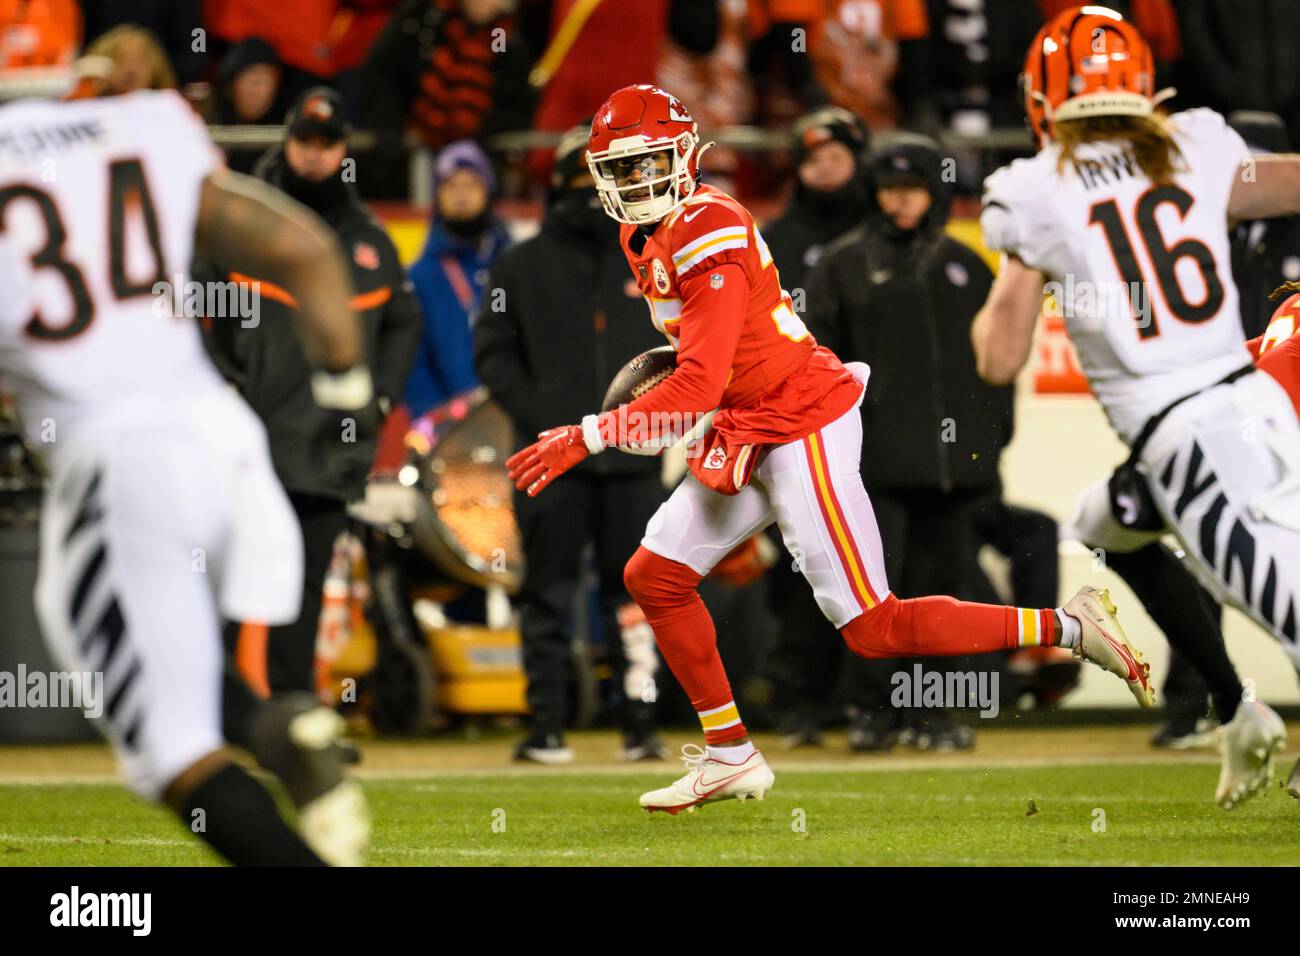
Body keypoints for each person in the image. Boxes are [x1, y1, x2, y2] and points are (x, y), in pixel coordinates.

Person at [506, 83, 1154, 815]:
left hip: (801, 418)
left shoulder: (707, 225)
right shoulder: (644, 235)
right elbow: (704, 363)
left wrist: (587, 434)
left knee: (875, 628)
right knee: (654, 576)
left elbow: (695, 381)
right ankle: (729, 753)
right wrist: (685, 407)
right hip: (750, 417)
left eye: (647, 163)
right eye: (619, 170)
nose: (634, 183)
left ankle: (1069, 625)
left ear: (686, 155)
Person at [0, 89, 371, 864]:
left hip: (122, 462)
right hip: (226, 440)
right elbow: (306, 252)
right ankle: (272, 725)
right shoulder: (140, 121)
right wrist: (345, 392)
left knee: (172, 755)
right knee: (166, 642)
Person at [973, 5, 1300, 809]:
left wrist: (1025, 261)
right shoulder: (1197, 142)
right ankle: (1235, 707)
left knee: (1291, 611)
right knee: (1099, 522)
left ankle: (1236, 711)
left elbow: (997, 357)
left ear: (1043, 98)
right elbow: (1280, 183)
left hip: (1191, 436)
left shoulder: (1032, 189)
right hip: (1239, 403)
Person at [201, 86, 423, 697]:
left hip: (329, 448)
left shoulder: (370, 241)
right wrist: (225, 383)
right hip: (251, 439)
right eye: (304, 141)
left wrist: (379, 398)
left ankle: (295, 712)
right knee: (230, 580)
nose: (315, 155)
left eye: (327, 144)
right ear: (287, 142)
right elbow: (194, 303)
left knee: (303, 582)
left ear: (344, 149)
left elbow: (405, 321)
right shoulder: (248, 219)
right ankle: (226, 715)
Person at [804, 133, 1012, 752]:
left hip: (953, 470)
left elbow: (997, 364)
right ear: (873, 192)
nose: (902, 201)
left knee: (942, 592)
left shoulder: (966, 264)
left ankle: (934, 714)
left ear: (936, 192)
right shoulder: (840, 264)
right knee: (873, 594)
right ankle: (872, 712)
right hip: (871, 466)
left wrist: (992, 443)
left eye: (914, 187)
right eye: (890, 188)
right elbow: (817, 365)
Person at [475, 125, 669, 763]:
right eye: (580, 177)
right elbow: (494, 354)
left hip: (634, 461)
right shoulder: (521, 264)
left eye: (602, 178)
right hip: (554, 458)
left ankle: (641, 724)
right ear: (557, 182)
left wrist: (656, 422)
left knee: (639, 593)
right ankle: (548, 724)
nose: (591, 192)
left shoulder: (650, 257)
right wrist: (546, 418)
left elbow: (687, 351)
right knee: (548, 593)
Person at [404, 140, 511, 420]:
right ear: (437, 196)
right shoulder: (420, 275)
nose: (461, 195)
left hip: (514, 418)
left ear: (487, 190)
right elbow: (413, 358)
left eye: (471, 184)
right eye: (451, 185)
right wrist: (433, 417)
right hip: (449, 429)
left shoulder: (513, 264)